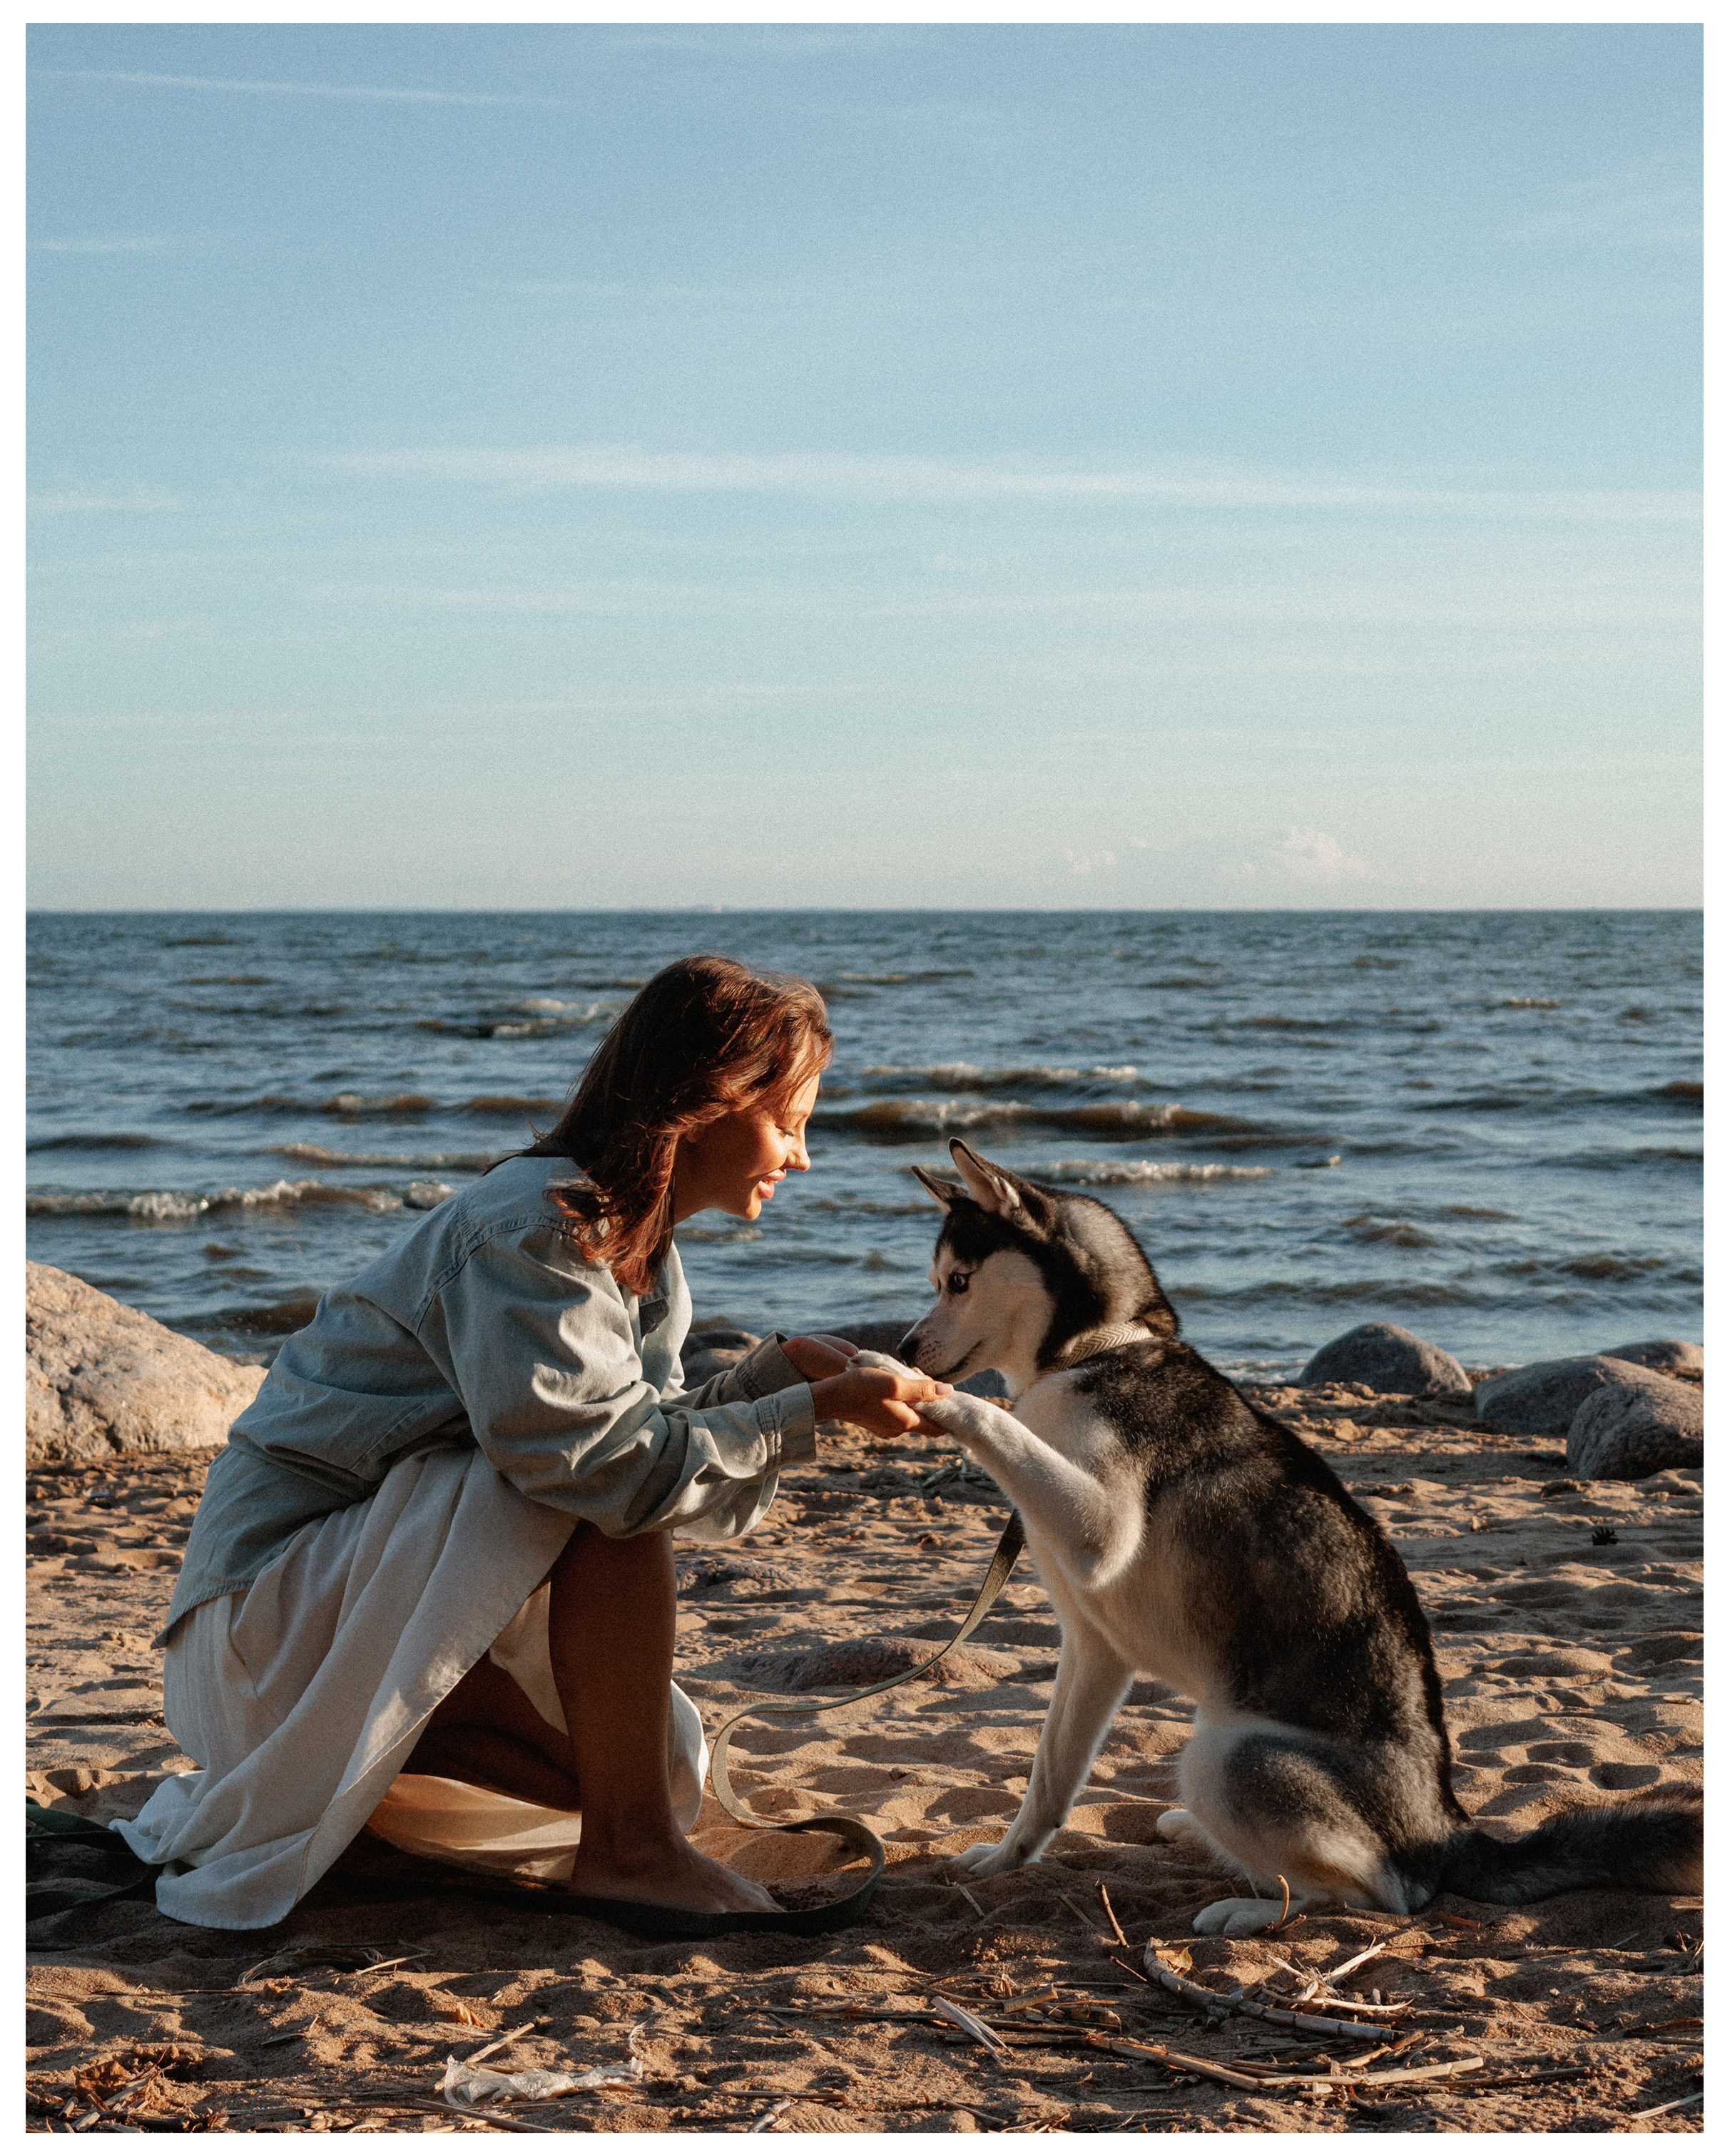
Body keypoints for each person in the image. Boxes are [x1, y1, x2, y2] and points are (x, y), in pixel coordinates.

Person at [116, 956, 949, 1931]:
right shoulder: (539, 1229)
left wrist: (775, 1383)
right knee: (602, 1493)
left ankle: (595, 1829)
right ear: (710, 1102)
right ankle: (631, 1856)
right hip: (256, 1630)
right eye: (789, 1123)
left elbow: (653, 1446)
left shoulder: (631, 1246)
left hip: (322, 1635)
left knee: (654, 1769)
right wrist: (812, 1416)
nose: (800, 1158)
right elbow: (612, 1473)